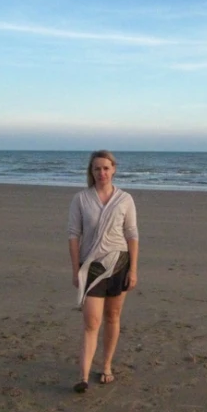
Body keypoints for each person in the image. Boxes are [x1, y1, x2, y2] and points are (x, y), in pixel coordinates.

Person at [67, 150, 139, 393]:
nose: (102, 173)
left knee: (113, 317)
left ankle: (106, 366)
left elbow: (132, 235)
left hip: (120, 265)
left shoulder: (125, 199)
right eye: (97, 169)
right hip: (92, 267)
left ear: (114, 169)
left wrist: (134, 270)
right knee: (91, 322)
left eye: (106, 168)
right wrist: (76, 269)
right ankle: (83, 376)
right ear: (91, 172)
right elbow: (73, 235)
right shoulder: (81, 199)